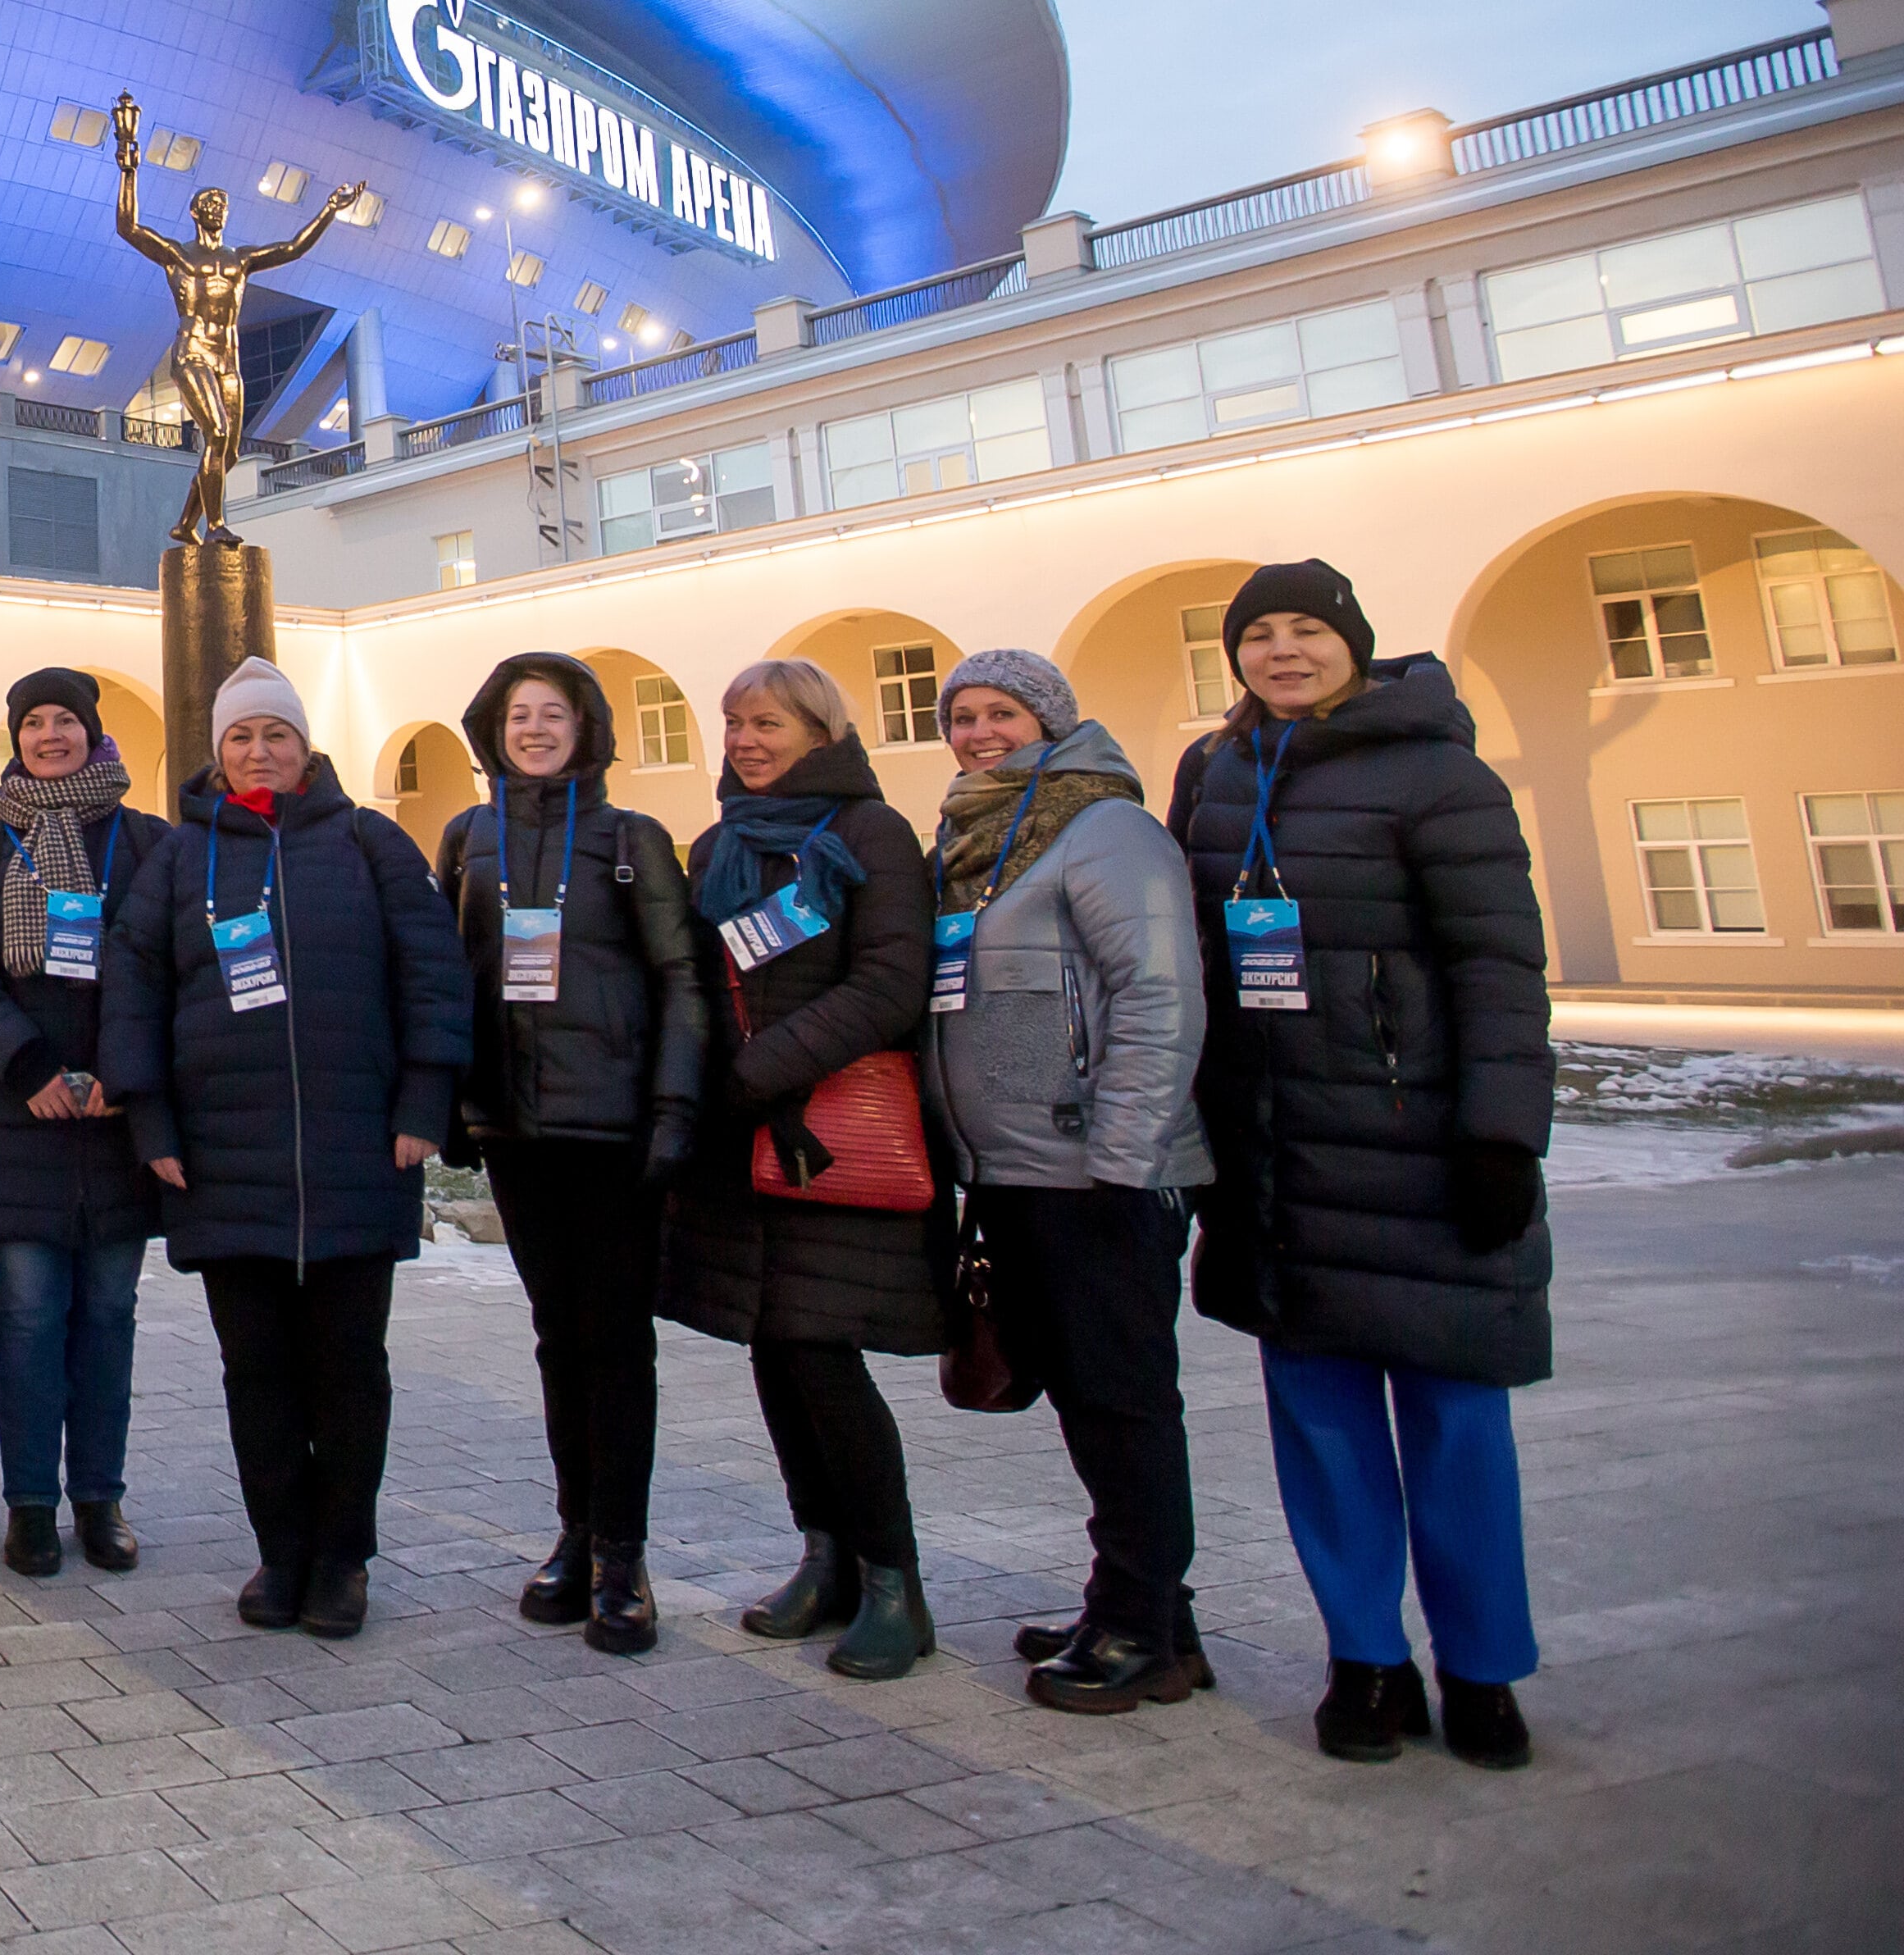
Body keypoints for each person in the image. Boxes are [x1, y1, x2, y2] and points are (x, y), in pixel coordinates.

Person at [1172, 562, 1553, 1769]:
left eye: (1308, 631)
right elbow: (1197, 964)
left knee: (1456, 1425)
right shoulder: (1219, 774)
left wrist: (1503, 1134)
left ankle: (1485, 1671)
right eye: (1259, 636)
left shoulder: (1439, 772)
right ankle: (1366, 1663)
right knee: (1322, 1428)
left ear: (1352, 643)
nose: (1284, 653)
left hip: (1422, 1147)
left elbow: (1500, 965)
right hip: (1278, 1151)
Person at [102, 659, 470, 1640]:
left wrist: (425, 1099)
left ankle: (343, 1557)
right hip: (225, 1161)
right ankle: (282, 1552)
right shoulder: (181, 861)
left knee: (350, 1370)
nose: (258, 751)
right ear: (217, 755)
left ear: (305, 746)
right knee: (255, 1371)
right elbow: (132, 993)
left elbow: (433, 974)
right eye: (240, 737)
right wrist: (151, 1122)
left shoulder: (369, 843)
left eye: (275, 734)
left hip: (358, 1154)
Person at [924, 649, 1215, 1716]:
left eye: (1002, 713)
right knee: (1090, 1404)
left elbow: (1158, 994)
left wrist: (1124, 1160)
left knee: (1124, 1401)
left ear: (1051, 721)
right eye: (962, 716)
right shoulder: (971, 838)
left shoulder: (1106, 830)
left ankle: (1139, 1630)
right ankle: (1144, 1608)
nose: (979, 733)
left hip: (1100, 1174)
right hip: (1017, 1172)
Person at [659, 659, 946, 1683]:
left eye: (766, 721)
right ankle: (822, 1556)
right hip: (745, 1139)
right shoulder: (722, 842)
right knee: (774, 1351)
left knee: (825, 1354)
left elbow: (890, 984)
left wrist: (760, 1069)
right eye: (733, 722)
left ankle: (892, 1582)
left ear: (819, 729)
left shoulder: (871, 836)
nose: (745, 739)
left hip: (832, 1136)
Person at [432, 651, 707, 1657]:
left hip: (613, 1124)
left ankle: (624, 1554)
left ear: (586, 728)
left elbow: (682, 978)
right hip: (515, 1126)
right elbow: (444, 972)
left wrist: (676, 1104)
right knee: (558, 1334)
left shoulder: (630, 839)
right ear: (492, 729)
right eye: (518, 716)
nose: (536, 730)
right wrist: (451, 1098)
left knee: (616, 1339)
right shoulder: (469, 838)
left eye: (554, 714)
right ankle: (575, 1531)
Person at [0, 668, 166, 1578]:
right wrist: (27, 1064)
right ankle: (31, 1504)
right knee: (29, 1324)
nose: (51, 736)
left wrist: (123, 1068)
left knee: (108, 1319)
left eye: (67, 721)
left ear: (94, 735)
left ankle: (100, 1499)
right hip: (14, 1120)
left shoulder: (146, 842)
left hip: (113, 1125)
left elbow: (162, 964)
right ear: (15, 740)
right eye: (34, 724)